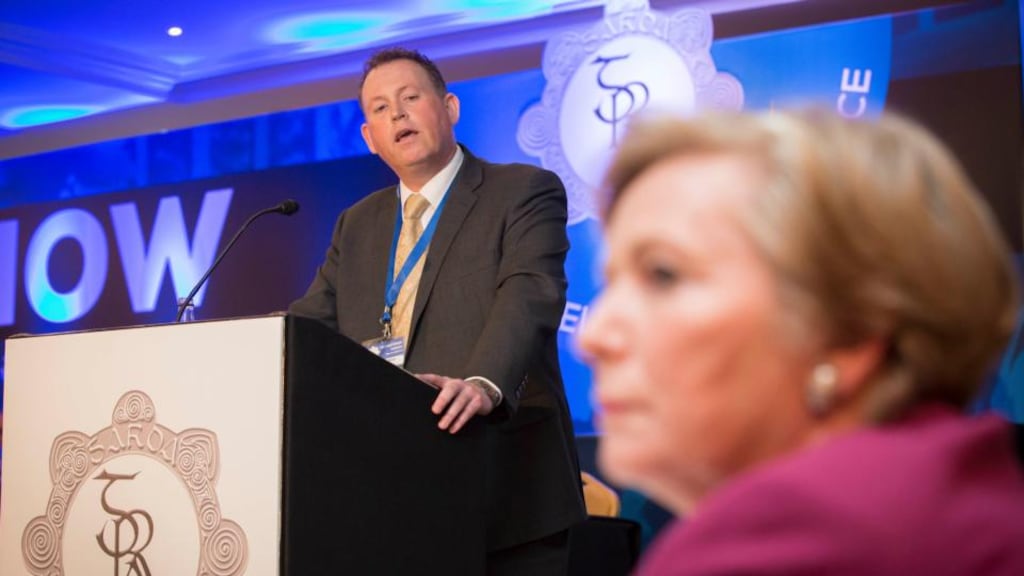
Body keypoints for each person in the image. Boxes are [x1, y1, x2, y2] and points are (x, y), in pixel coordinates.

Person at [579, 109, 1024, 575]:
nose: (593, 337)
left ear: (850, 328)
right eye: (612, 283)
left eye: (663, 274)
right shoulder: (949, 492)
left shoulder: (797, 536)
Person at [289, 47, 584, 574]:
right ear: (368, 139)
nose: (396, 115)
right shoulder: (356, 224)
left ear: (449, 108)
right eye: (379, 109)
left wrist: (483, 381)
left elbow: (530, 293)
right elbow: (309, 329)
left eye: (410, 98)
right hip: (391, 500)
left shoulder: (521, 191)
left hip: (502, 491)